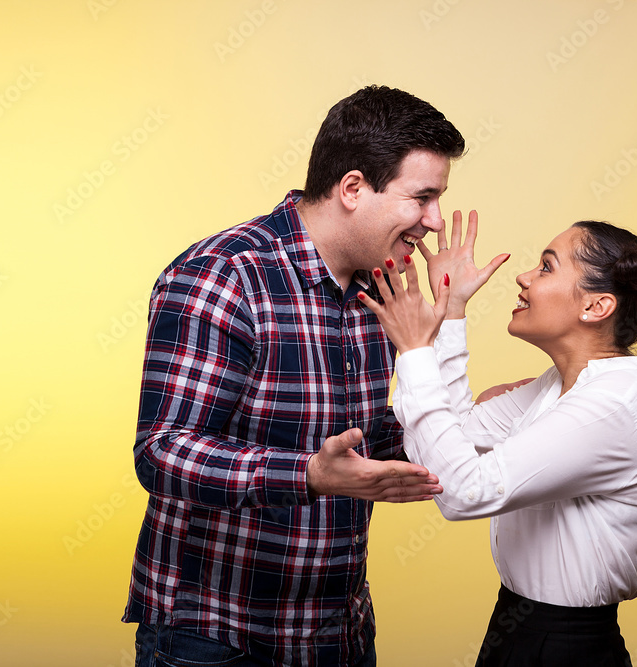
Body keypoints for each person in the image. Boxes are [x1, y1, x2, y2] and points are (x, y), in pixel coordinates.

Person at [123, 85, 467, 666]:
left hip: (339, 630)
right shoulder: (224, 275)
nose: (434, 221)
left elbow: (357, 436)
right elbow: (162, 452)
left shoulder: (380, 285)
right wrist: (308, 474)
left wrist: (478, 421)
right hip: (218, 636)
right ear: (353, 188)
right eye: (422, 198)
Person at [359, 213, 637, 666]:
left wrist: (415, 351)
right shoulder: (560, 387)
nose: (523, 277)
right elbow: (458, 435)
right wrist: (451, 310)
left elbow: (463, 491)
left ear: (596, 306)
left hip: (567, 646)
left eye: (546, 267)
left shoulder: (614, 404)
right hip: (516, 626)